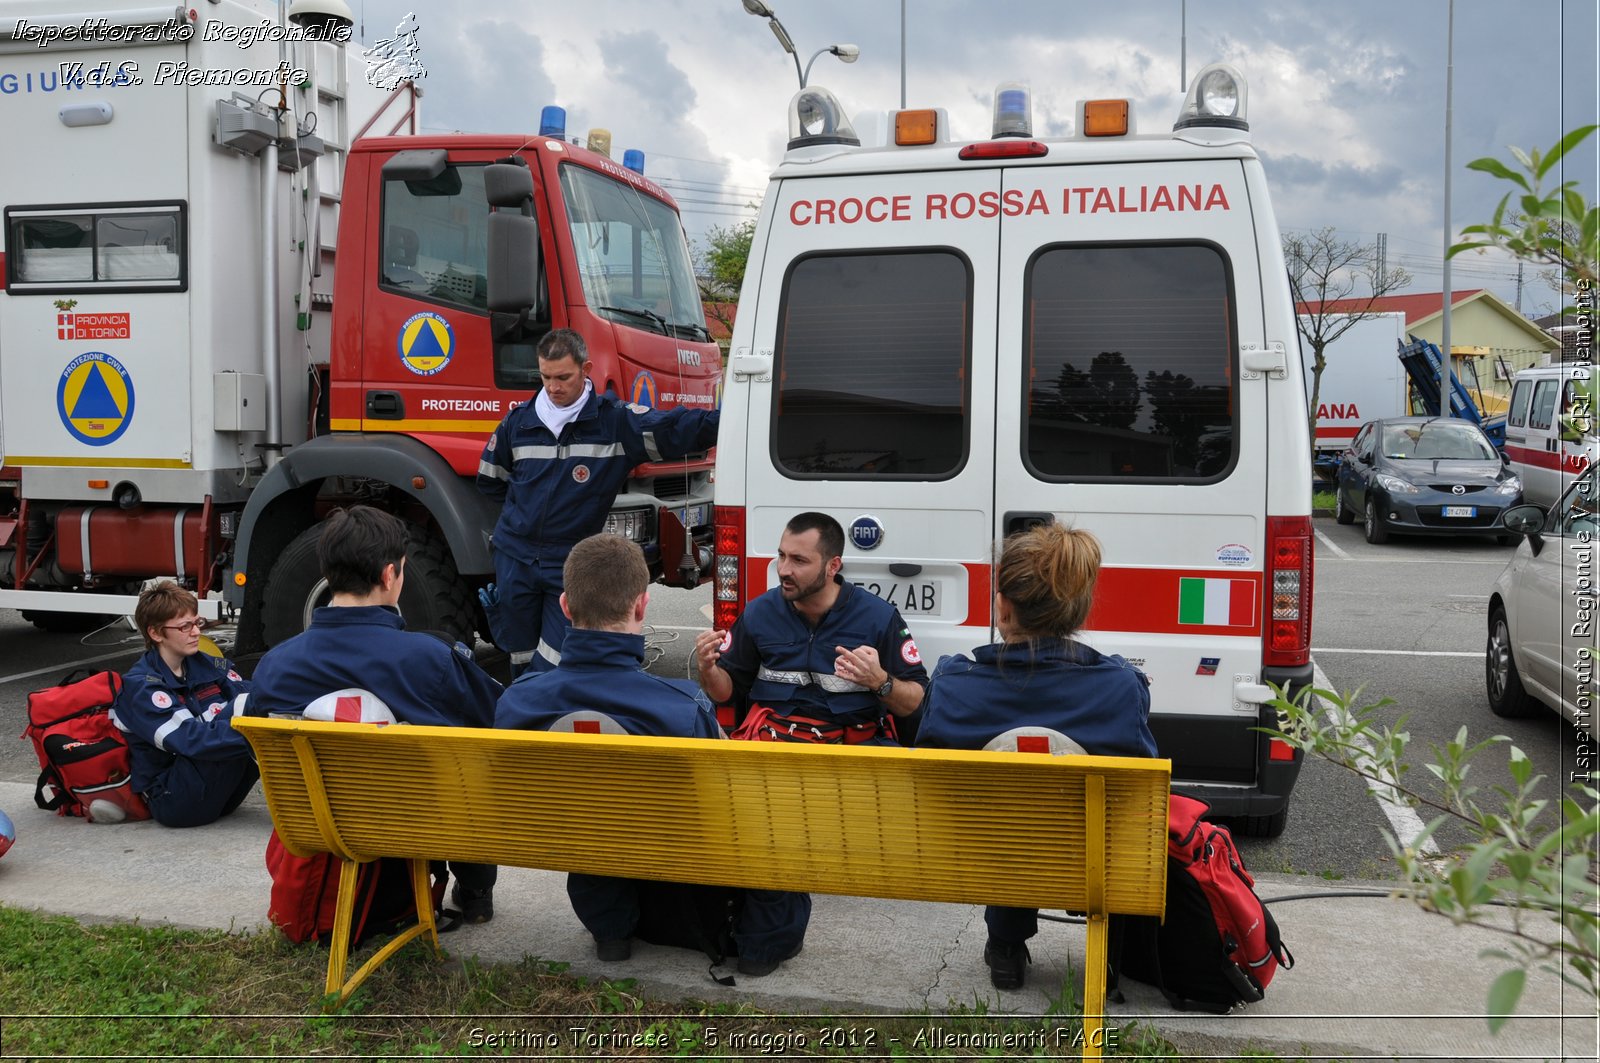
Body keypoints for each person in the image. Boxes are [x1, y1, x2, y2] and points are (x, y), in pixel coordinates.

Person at [915, 522, 1158, 991]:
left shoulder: (953, 684)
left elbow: (931, 780)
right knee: (1089, 820)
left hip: (980, 856)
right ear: (1079, 608)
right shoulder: (1120, 688)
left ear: (1003, 605)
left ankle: (1005, 945)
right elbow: (1137, 795)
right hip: (1086, 860)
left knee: (1008, 811)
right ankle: (1109, 956)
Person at [692, 511, 929, 976]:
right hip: (776, 758)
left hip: (850, 760)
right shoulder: (760, 612)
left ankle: (764, 936)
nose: (784, 569)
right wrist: (708, 671)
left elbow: (915, 700)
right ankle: (760, 931)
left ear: (833, 565)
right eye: (781, 556)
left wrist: (880, 681)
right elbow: (729, 692)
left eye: (799, 560)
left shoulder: (878, 619)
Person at [248, 505, 505, 924]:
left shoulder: (274, 666)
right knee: (465, 770)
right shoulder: (430, 659)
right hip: (413, 827)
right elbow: (495, 723)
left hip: (321, 824)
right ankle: (475, 891)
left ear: (328, 575)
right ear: (390, 575)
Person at [495, 533, 725, 962]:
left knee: (587, 810)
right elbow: (718, 805)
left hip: (560, 840)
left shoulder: (518, 701)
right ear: (642, 605)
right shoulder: (682, 707)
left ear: (564, 607)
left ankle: (609, 927)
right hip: (663, 848)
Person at [476, 328, 720, 676]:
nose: (554, 387)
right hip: (515, 556)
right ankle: (524, 714)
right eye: (546, 377)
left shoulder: (615, 422)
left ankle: (551, 719)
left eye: (564, 377)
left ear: (586, 368)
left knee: (559, 662)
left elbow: (675, 426)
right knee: (518, 654)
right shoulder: (519, 422)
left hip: (569, 562)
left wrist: (732, 419)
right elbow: (492, 482)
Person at [117, 580, 257, 828]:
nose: (196, 632)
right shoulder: (140, 687)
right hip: (174, 801)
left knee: (261, 704)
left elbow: (251, 696)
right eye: (185, 626)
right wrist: (260, 732)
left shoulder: (205, 664)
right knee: (245, 719)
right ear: (156, 633)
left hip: (220, 794)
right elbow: (189, 740)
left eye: (197, 623)